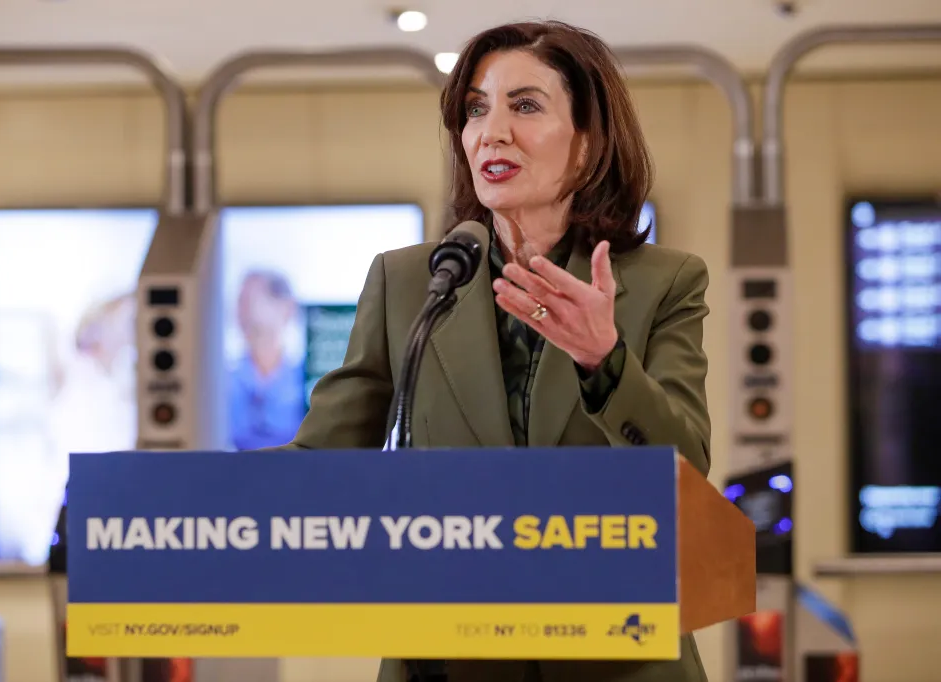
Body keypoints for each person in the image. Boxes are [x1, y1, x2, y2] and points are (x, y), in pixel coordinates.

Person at [279, 20, 712, 682]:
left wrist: (605, 361)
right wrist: (178, 503)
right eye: (477, 109)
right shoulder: (408, 281)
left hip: (615, 660)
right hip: (449, 659)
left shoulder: (665, 282)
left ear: (589, 141)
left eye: (526, 105)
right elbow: (322, 462)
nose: (492, 132)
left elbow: (687, 471)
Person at [227, 269, 306, 449]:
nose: (242, 313)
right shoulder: (221, 383)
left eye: (250, 301)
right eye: (240, 303)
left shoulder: (307, 382)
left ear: (287, 309)